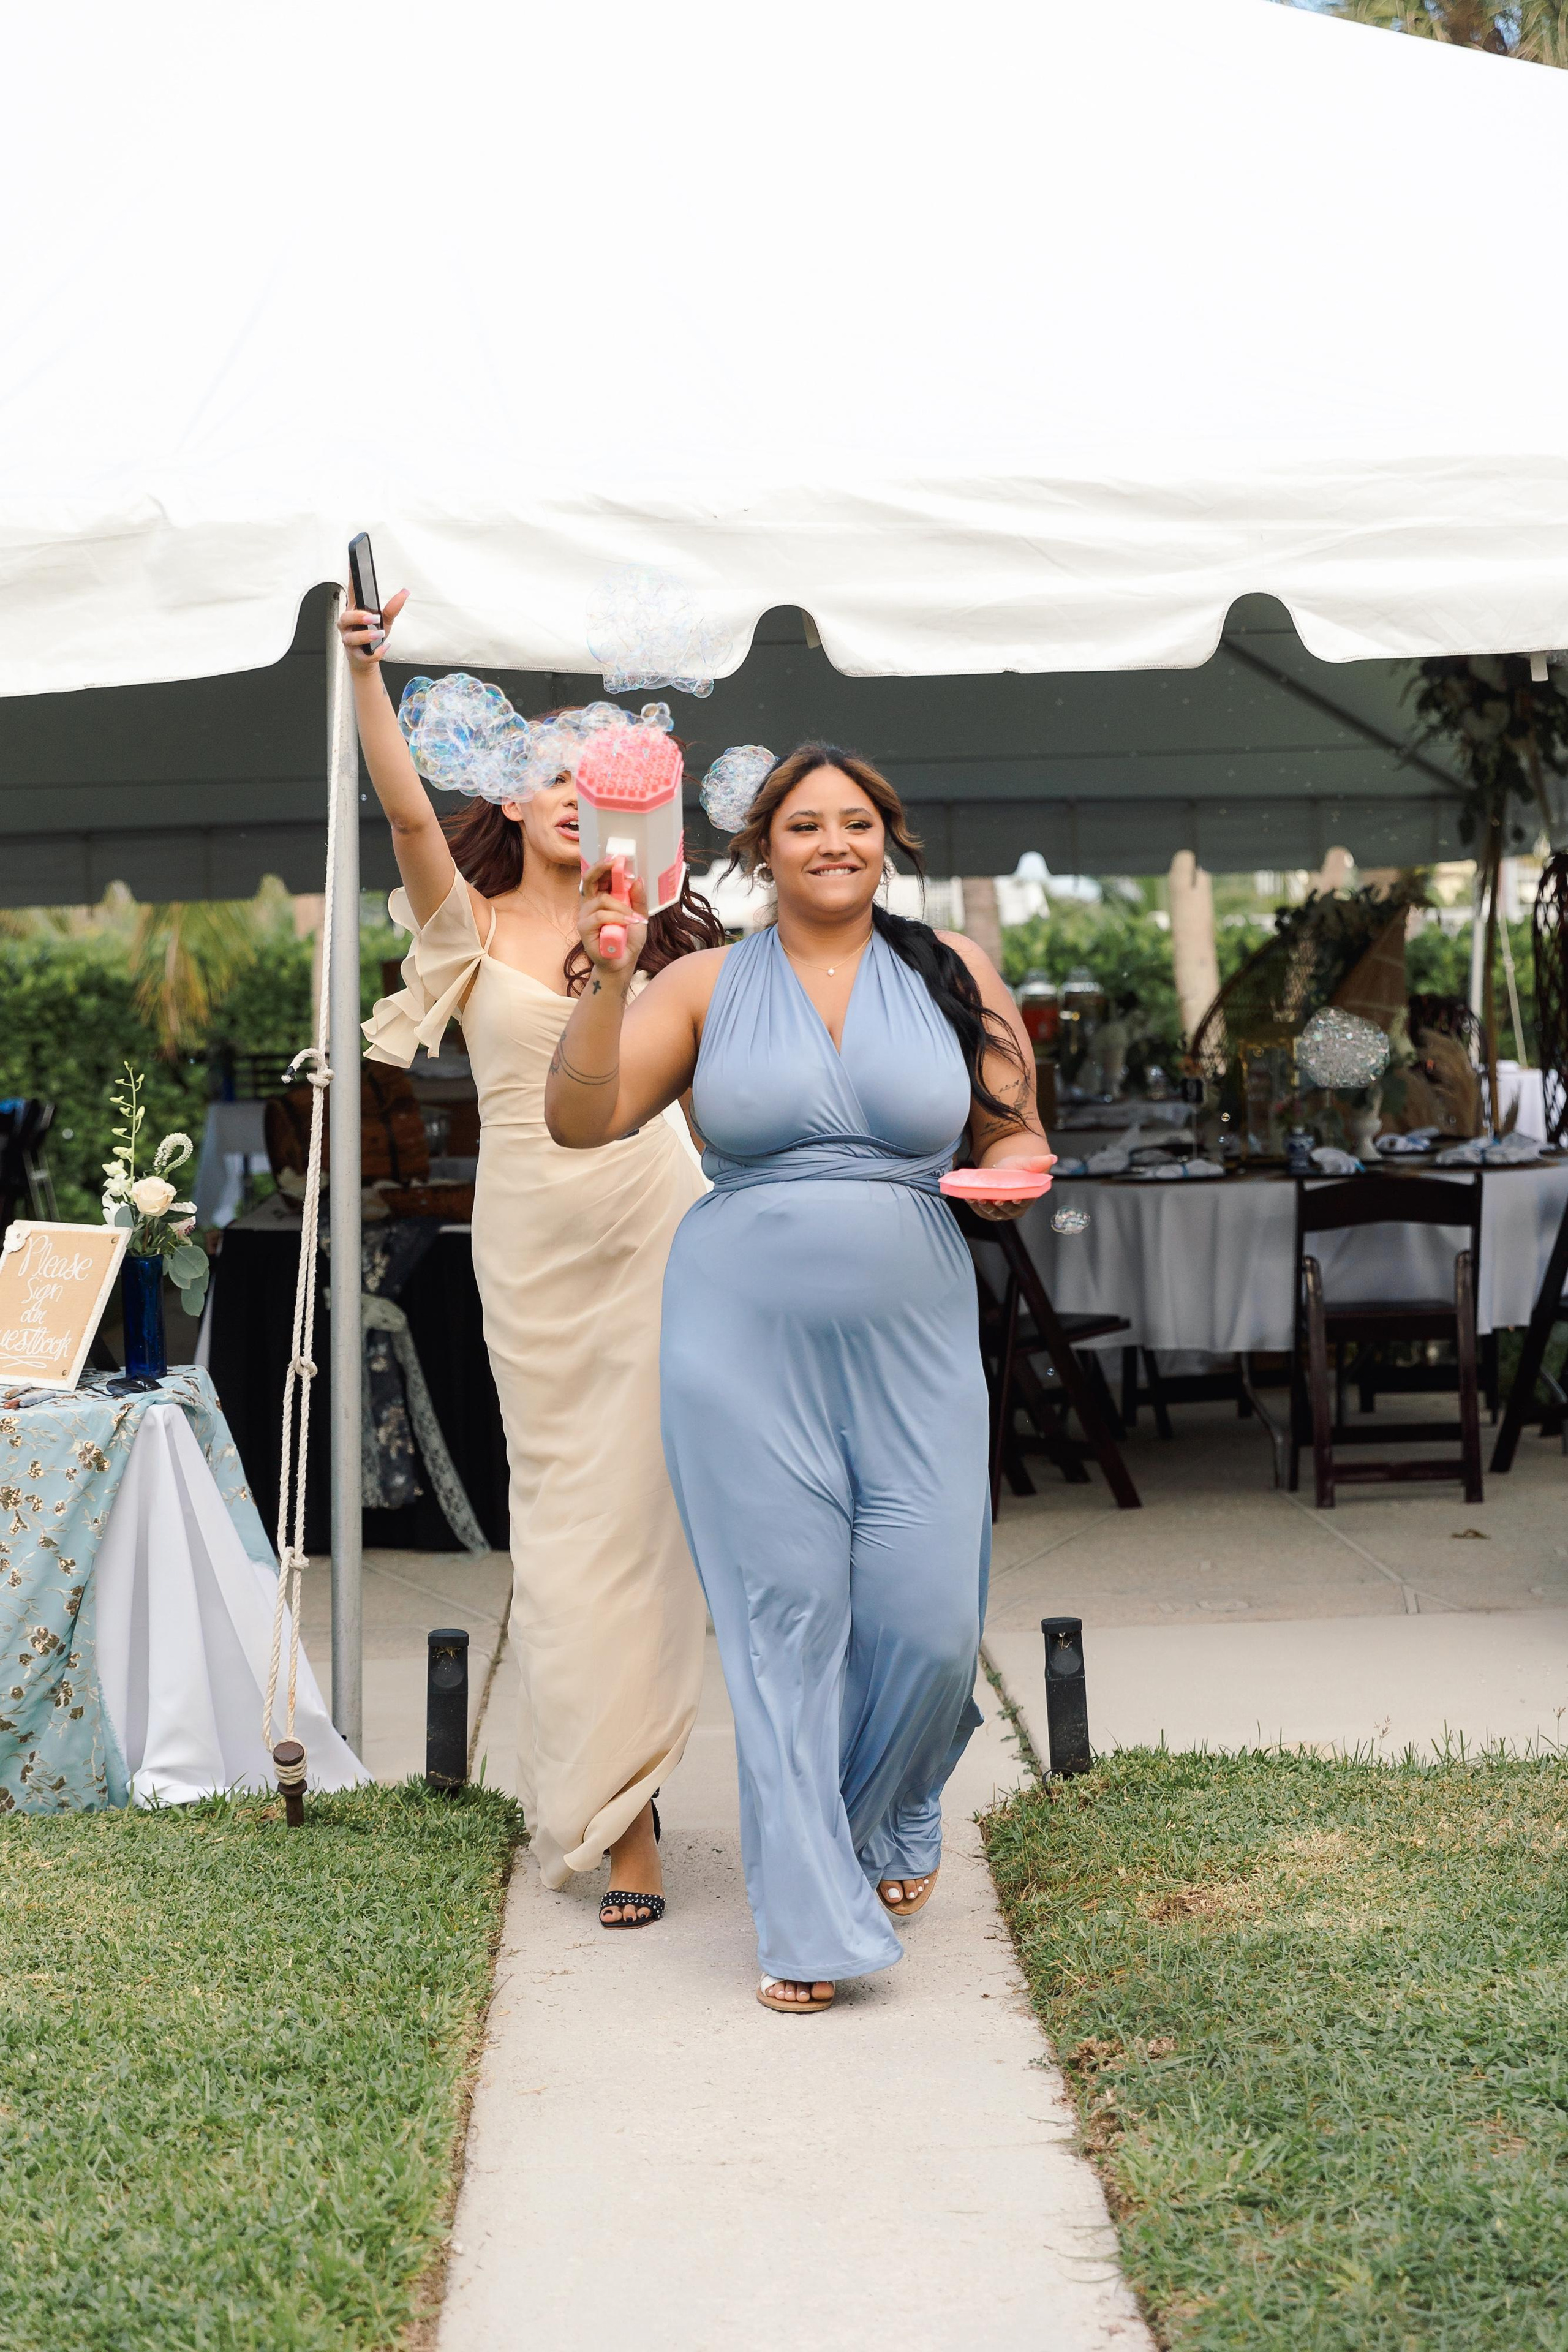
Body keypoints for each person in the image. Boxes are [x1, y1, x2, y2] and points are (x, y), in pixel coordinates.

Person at [545, 743, 1054, 2013]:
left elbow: (1008, 1124)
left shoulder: (953, 974)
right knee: (786, 1629)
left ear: (890, 840)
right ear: (758, 849)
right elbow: (579, 1119)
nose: (834, 842)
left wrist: (1022, 1161)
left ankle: (887, 1812)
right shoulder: (707, 984)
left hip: (916, 1330)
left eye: (857, 823)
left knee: (930, 1624)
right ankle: (808, 1925)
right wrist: (607, 986)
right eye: (804, 825)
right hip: (737, 1335)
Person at [344, 589, 723, 1926]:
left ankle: (632, 1818)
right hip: (535, 1249)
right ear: (505, 800)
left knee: (659, 1515)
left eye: (588, 776)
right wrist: (365, 675)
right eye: (541, 776)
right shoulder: (470, 924)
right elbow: (400, 814)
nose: (566, 793)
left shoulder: (671, 927)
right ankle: (613, 1791)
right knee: (566, 1523)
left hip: (663, 1220)